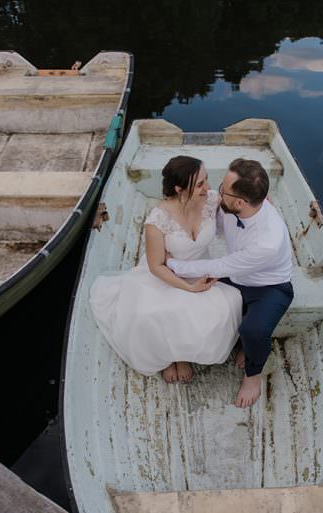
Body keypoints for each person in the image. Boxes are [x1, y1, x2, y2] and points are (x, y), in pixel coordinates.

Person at [89, 156, 242, 384]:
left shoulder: (211, 201)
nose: (207, 188)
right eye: (200, 184)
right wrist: (189, 288)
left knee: (227, 307)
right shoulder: (157, 220)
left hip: (199, 269)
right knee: (152, 314)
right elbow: (155, 266)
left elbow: (241, 204)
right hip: (162, 276)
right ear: (180, 189)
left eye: (206, 180)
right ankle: (170, 357)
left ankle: (183, 354)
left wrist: (260, 200)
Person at [167, 158, 293, 407]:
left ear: (240, 202)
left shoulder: (267, 242)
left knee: (253, 330)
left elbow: (222, 266)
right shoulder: (238, 205)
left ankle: (253, 374)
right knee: (184, 294)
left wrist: (173, 265)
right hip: (238, 273)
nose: (216, 192)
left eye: (223, 189)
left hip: (269, 287)